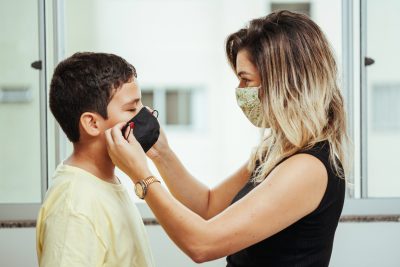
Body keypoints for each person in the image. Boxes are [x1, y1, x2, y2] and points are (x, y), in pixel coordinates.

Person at [106, 10, 349, 267]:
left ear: (284, 83)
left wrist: (141, 177)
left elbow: (202, 245)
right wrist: (161, 153)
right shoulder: (276, 150)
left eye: (246, 80)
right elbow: (208, 206)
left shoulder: (307, 168)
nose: (240, 92)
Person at [36, 52, 155, 267]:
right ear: (92, 124)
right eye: (131, 108)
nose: (145, 114)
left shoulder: (106, 183)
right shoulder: (73, 207)